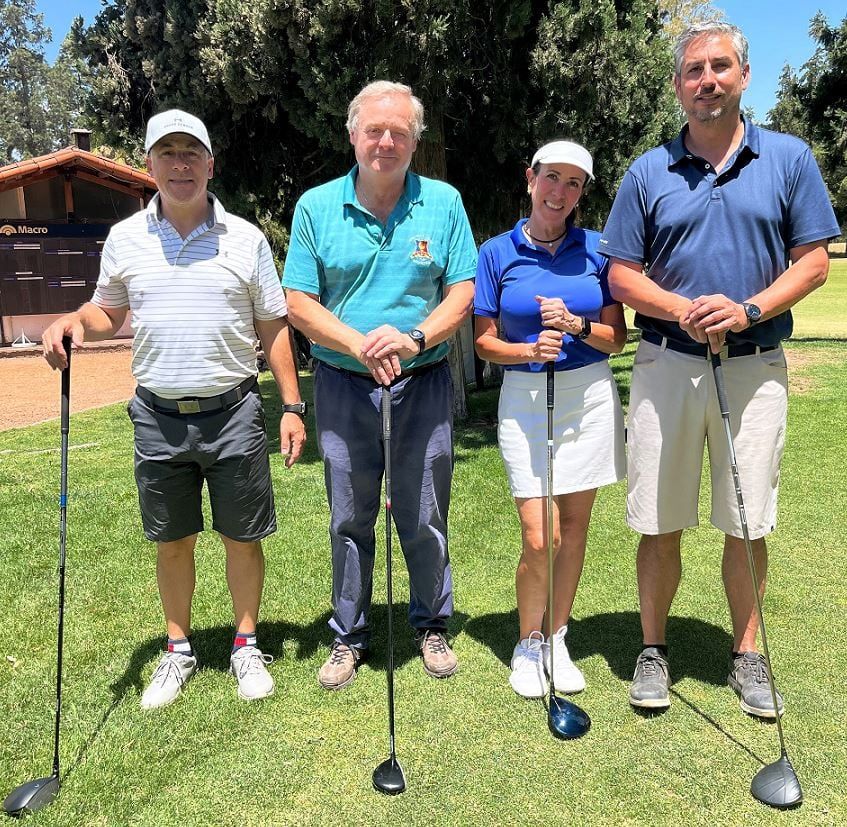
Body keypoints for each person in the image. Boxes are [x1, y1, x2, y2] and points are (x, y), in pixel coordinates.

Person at [600, 22, 839, 717]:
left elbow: (813, 262)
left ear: (743, 75)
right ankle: (652, 649)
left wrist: (747, 308)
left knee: (747, 518)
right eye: (693, 70)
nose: (707, 80)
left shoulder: (788, 158)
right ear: (678, 86)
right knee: (658, 518)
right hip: (666, 364)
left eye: (720, 66)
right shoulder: (648, 170)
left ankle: (747, 654)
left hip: (753, 365)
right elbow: (621, 273)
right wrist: (684, 309)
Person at [42, 109, 307, 709]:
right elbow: (106, 311)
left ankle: (245, 644)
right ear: (150, 164)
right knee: (172, 540)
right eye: (168, 153)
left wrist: (292, 405)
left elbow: (273, 325)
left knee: (243, 537)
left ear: (211, 164)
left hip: (234, 411)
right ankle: (178, 648)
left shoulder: (246, 239)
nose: (180, 165)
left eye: (192, 153)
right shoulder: (126, 238)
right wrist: (74, 321)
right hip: (157, 415)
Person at [282, 81, 477, 689]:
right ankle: (348, 633)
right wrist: (358, 344)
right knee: (349, 515)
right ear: (353, 136)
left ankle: (431, 622)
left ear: (415, 140)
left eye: (399, 132)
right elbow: (298, 301)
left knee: (424, 513)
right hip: (344, 385)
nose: (386, 141)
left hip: (421, 383)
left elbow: (462, 293)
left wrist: (414, 338)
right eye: (374, 130)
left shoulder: (443, 202)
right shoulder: (316, 206)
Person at [474, 141, 626, 698]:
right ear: (530, 178)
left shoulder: (599, 250)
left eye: (573, 183)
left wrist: (576, 326)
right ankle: (528, 640)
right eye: (552, 178)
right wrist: (528, 351)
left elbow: (617, 337)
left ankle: (557, 636)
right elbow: (484, 342)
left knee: (575, 529)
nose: (560, 192)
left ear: (581, 193)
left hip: (589, 396)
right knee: (541, 537)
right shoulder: (497, 252)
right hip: (525, 398)